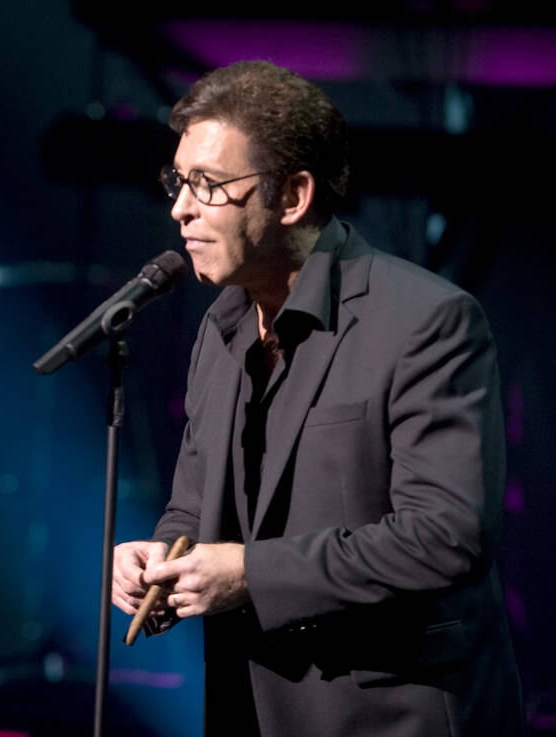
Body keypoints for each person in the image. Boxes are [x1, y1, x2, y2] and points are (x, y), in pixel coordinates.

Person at [110, 61, 524, 737]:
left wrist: (251, 573)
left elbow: (446, 536)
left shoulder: (427, 319)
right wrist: (159, 558)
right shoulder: (221, 326)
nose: (180, 206)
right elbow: (194, 503)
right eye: (178, 182)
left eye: (208, 185)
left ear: (294, 196)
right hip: (248, 705)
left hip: (391, 714)